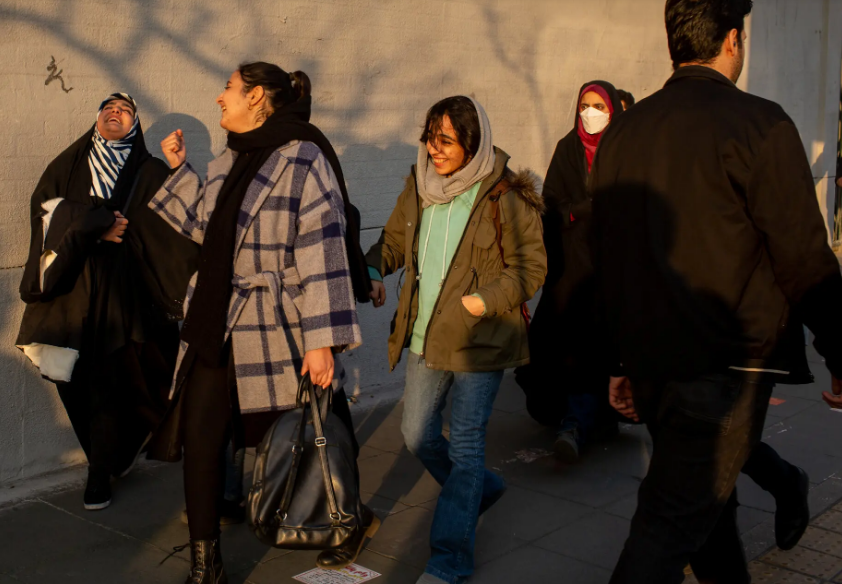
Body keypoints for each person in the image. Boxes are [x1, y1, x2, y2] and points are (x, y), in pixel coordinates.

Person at [590, 1, 842, 582]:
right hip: (728, 365)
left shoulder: (625, 131)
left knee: (702, 510)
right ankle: (789, 485)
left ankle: (786, 487)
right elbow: (803, 257)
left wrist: (621, 358)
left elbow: (608, 261)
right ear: (733, 40)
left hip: (658, 359)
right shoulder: (761, 124)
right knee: (672, 523)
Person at [148, 62, 374, 583]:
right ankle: (207, 566)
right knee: (202, 439)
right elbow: (207, 227)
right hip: (216, 320)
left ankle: (346, 517)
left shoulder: (303, 156)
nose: (219, 98)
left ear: (257, 98)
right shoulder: (228, 160)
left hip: (278, 324)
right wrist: (180, 170)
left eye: (228, 89)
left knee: (313, 430)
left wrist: (322, 341)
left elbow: (323, 249)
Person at [366, 96, 546, 584]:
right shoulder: (420, 183)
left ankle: (450, 561)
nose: (434, 148)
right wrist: (371, 267)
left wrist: (484, 301)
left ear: (473, 140)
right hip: (426, 337)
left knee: (465, 446)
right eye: (430, 136)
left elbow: (530, 268)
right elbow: (396, 239)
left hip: (479, 342)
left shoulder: (505, 194)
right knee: (416, 435)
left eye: (446, 139)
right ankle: (479, 489)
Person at [16, 93, 198, 511]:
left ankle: (99, 472)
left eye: (125, 111)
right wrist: (94, 225)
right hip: (74, 292)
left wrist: (176, 171)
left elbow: (177, 223)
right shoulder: (69, 165)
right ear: (97, 118)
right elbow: (44, 209)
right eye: (108, 109)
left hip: (126, 296)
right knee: (75, 380)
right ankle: (111, 455)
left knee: (113, 379)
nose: (115, 114)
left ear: (135, 125)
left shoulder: (149, 170)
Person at [525, 81, 625, 463]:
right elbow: (549, 203)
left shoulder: (623, 149)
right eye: (584, 105)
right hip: (569, 267)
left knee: (599, 346)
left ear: (612, 109)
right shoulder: (568, 149)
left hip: (610, 270)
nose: (590, 112)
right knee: (566, 346)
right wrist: (577, 211)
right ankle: (578, 418)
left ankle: (581, 422)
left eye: (598, 105)